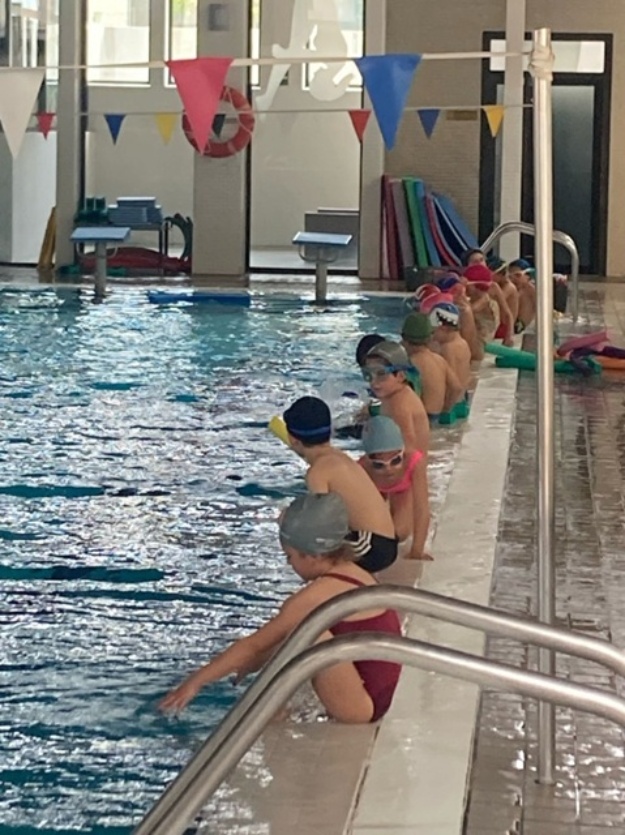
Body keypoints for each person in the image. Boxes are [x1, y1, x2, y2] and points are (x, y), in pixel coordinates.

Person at [160, 493, 402, 723]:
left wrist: (195, 682)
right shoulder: (356, 573)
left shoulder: (314, 596)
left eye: (290, 557)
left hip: (360, 708)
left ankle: (270, 712)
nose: (289, 565)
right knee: (293, 630)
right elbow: (269, 642)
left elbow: (253, 644)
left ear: (313, 556)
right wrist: (255, 661)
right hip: (378, 695)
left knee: (306, 633)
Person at [283, 396, 398, 572]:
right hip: (384, 541)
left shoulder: (318, 472)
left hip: (372, 547)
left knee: (313, 550)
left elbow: (319, 525)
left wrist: (287, 521)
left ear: (293, 440)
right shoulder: (338, 457)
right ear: (330, 432)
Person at [360, 416, 431, 561]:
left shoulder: (413, 462)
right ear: (367, 459)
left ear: (403, 452)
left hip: (402, 488)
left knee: (400, 533)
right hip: (374, 489)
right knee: (376, 533)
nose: (389, 469)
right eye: (379, 465)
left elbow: (422, 509)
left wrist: (417, 551)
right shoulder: (361, 469)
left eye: (396, 460)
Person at [363, 340, 430, 457]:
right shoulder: (397, 395)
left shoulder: (399, 405)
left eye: (381, 374)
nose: (374, 382)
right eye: (368, 374)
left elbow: (409, 449)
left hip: (407, 472)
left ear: (401, 376)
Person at [401, 312, 463, 421]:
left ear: (405, 341)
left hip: (422, 418)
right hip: (436, 415)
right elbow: (456, 388)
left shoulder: (410, 363)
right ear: (430, 338)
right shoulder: (439, 359)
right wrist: (446, 409)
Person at [429, 301, 472, 394]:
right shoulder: (463, 343)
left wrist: (446, 407)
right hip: (463, 399)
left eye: (433, 331)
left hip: (454, 404)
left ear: (443, 328)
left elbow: (451, 384)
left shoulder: (448, 348)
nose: (432, 337)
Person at [508, 259, 537, 330]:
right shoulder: (511, 289)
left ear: (528, 276)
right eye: (510, 277)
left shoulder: (530, 290)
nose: (513, 280)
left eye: (518, 276)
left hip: (521, 326)